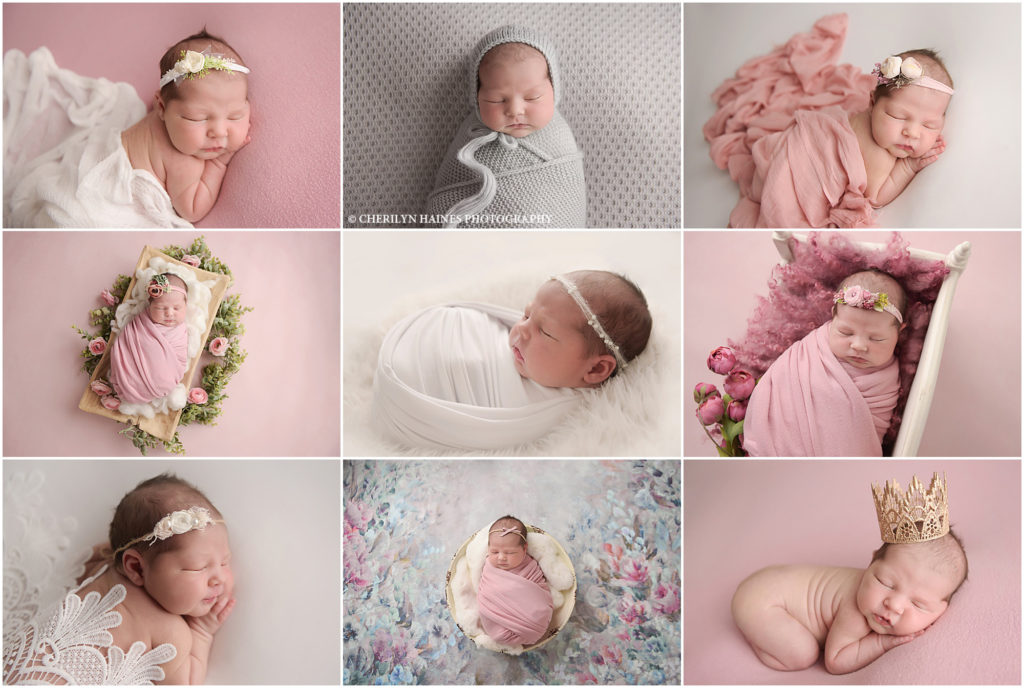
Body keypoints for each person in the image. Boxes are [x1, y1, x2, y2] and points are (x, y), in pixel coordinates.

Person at [3, 474, 235, 685]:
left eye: (225, 562)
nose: (218, 579)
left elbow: (94, 558)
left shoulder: (102, 569)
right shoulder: (172, 635)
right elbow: (189, 682)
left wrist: (122, 545)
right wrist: (202, 632)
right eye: (198, 568)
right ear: (135, 567)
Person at [732, 474, 967, 674]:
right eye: (884, 582)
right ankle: (760, 642)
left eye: (918, 604)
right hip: (761, 601)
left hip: (770, 583)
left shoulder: (877, 598)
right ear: (872, 562)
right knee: (802, 654)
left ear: (941, 609)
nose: (893, 605)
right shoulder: (856, 611)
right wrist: (882, 643)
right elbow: (836, 661)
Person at [425, 25, 586, 228]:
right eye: (497, 100)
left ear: (554, 90)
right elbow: (449, 195)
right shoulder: (471, 139)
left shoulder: (558, 136)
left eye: (532, 97)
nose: (515, 110)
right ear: (477, 98)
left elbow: (568, 199)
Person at [743, 269, 905, 456]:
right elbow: (778, 384)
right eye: (845, 332)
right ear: (832, 319)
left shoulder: (886, 380)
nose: (859, 345)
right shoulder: (809, 352)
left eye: (876, 339)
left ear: (900, 332)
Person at [121, 29, 251, 223]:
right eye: (197, 118)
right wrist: (217, 163)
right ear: (161, 107)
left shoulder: (170, 120)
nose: (219, 132)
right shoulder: (183, 160)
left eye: (234, 116)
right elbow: (192, 210)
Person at [107, 273, 189, 406]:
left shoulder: (180, 332)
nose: (169, 313)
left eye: (177, 308)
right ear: (150, 306)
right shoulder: (139, 325)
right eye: (161, 308)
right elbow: (124, 344)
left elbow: (180, 357)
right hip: (127, 380)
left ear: (186, 306)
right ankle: (129, 384)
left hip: (164, 383)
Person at [477, 516, 553, 646]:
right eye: (494, 551)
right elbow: (485, 592)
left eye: (510, 553)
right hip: (498, 626)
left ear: (524, 549)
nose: (501, 558)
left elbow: (539, 590)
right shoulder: (489, 569)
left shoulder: (530, 567)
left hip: (534, 623)